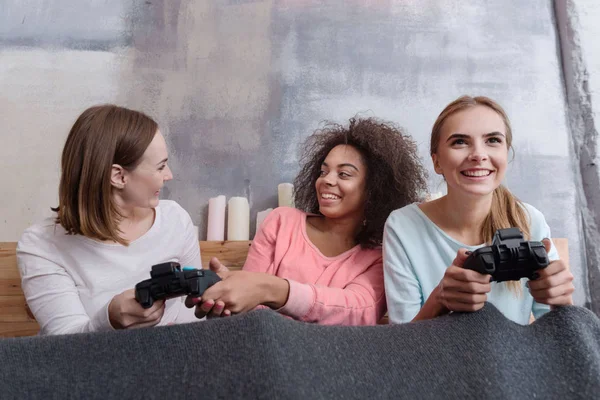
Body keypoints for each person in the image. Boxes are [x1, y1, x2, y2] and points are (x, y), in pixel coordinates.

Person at [189, 117, 427, 325]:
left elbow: (359, 312)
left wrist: (272, 289)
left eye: (343, 174)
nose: (326, 181)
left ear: (373, 190)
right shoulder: (281, 222)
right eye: (323, 172)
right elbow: (250, 304)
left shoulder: (380, 256)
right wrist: (227, 294)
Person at [383, 95, 575, 325]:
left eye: (493, 140)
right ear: (437, 162)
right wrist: (439, 301)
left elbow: (558, 331)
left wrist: (561, 301)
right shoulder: (402, 226)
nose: (478, 155)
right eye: (460, 142)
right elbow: (400, 344)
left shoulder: (530, 220)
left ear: (506, 153)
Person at [17, 105, 201, 335]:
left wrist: (213, 293)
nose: (169, 175)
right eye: (160, 166)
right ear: (118, 176)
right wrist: (109, 320)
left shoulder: (175, 220)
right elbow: (63, 350)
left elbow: (191, 316)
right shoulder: (41, 245)